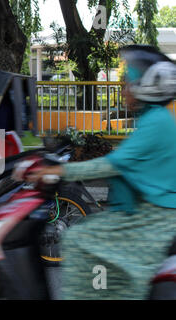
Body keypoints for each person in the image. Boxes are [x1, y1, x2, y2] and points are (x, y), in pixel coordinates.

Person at [23, 45, 176, 299]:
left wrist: (61, 170)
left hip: (153, 218)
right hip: (145, 210)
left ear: (143, 88)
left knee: (79, 238)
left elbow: (111, 164)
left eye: (128, 83)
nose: (123, 89)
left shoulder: (156, 121)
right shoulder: (153, 118)